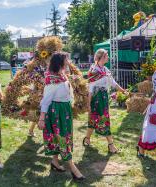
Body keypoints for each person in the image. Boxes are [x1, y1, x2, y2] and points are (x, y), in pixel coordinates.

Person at [38, 52, 85, 181]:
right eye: (66, 59)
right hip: (56, 111)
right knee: (62, 137)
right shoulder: (52, 79)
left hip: (64, 110)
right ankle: (73, 168)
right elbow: (46, 100)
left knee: (59, 137)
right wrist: (41, 118)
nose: (68, 61)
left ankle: (54, 162)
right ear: (60, 62)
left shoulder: (62, 75)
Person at [83, 49, 127, 153]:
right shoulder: (93, 71)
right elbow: (90, 88)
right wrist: (88, 103)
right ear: (101, 57)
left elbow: (113, 83)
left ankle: (87, 139)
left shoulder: (105, 69)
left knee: (93, 119)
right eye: (106, 55)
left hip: (103, 98)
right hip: (96, 99)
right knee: (104, 120)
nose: (108, 57)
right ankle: (111, 145)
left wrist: (123, 90)